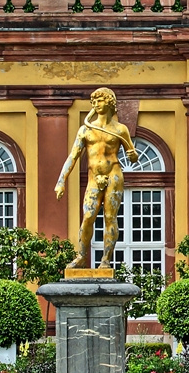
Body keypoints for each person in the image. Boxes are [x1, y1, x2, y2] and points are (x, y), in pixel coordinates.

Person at [55, 88, 136, 269]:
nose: (96, 105)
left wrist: (133, 156)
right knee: (88, 217)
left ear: (109, 102)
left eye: (100, 101)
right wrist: (61, 181)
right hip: (94, 177)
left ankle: (106, 260)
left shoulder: (120, 129)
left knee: (110, 217)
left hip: (114, 174)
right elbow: (73, 156)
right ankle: (82, 256)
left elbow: (132, 154)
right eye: (94, 102)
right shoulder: (85, 129)